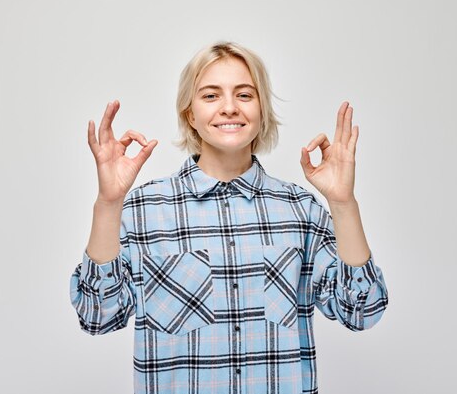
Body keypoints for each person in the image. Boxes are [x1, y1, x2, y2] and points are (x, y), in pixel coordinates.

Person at [70, 42, 388, 394]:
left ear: (262, 110)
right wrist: (108, 203)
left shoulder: (300, 210)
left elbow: (362, 311)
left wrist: (343, 204)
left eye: (245, 95)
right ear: (189, 113)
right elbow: (97, 315)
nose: (229, 107)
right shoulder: (145, 211)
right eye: (210, 95)